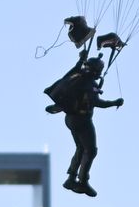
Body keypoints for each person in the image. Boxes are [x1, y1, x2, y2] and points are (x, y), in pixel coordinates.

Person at [46, 56, 122, 196]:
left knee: (81, 148)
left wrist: (81, 60)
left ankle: (71, 179)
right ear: (96, 71)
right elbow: (98, 103)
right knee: (91, 150)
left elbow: (71, 75)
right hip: (82, 121)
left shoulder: (77, 75)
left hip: (70, 119)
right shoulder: (89, 83)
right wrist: (115, 102)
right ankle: (82, 182)